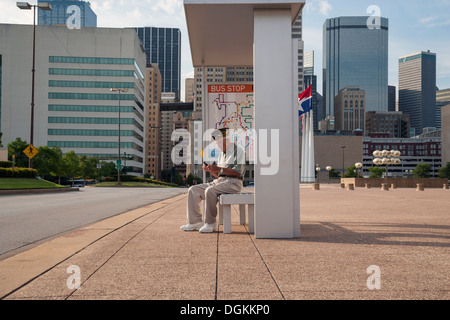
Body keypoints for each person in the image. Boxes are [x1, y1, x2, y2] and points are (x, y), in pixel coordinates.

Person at [180, 128, 246, 233]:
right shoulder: (221, 155)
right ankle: (195, 222)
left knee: (210, 190)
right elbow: (218, 175)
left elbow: (238, 172)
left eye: (219, 142)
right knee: (193, 190)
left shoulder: (239, 151)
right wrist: (210, 170)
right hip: (220, 182)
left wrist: (218, 169)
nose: (217, 145)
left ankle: (210, 223)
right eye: (217, 143)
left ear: (227, 140)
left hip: (233, 183)